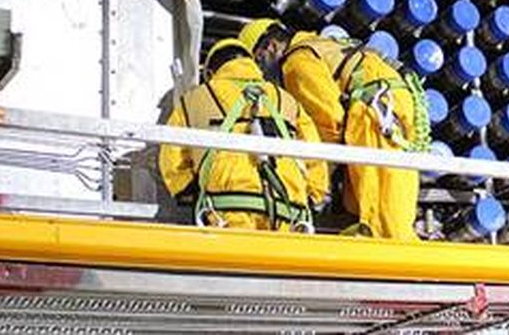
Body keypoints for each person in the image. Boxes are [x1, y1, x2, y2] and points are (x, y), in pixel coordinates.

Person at [239, 18, 428, 239]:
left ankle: (406, 267)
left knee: (384, 218)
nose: (262, 72)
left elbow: (329, 120)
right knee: (362, 203)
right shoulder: (319, 43)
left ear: (271, 46)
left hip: (371, 115)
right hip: (387, 106)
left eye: (259, 61)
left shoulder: (296, 62)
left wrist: (315, 172)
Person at [158, 36, 329, 230]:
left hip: (226, 211)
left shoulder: (193, 100)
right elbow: (315, 154)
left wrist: (187, 190)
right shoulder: (288, 100)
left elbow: (172, 156)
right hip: (289, 213)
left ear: (211, 72)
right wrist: (312, 196)